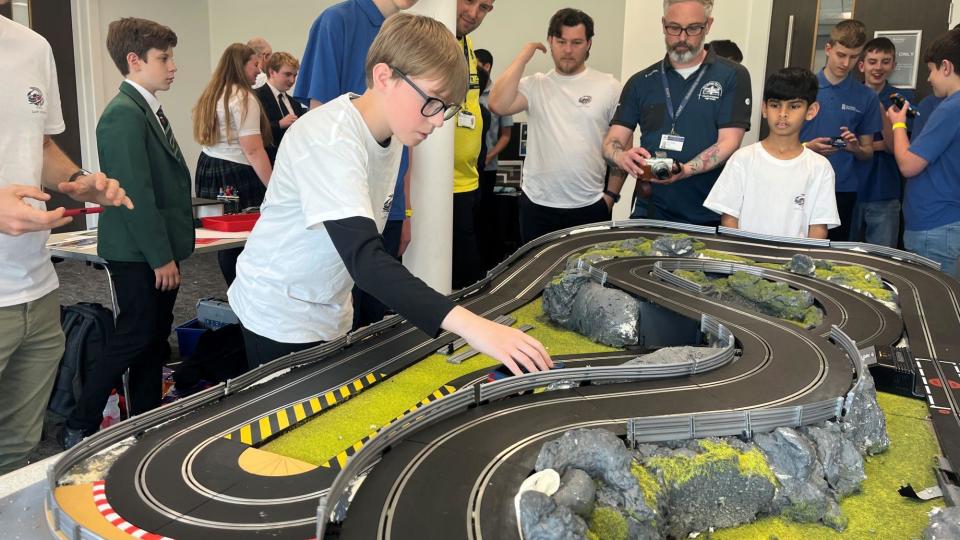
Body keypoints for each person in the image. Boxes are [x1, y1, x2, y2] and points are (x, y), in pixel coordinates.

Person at [227, 13, 552, 376]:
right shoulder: (329, 137)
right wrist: (476, 328)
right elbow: (366, 259)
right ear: (385, 77)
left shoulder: (392, 132)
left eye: (447, 108)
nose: (439, 120)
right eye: (433, 102)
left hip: (327, 305)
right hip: (279, 310)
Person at [60, 17, 185, 450]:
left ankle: (147, 419)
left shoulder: (148, 109)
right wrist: (159, 257)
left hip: (156, 248)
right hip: (138, 252)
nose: (172, 66)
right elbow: (135, 194)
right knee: (134, 336)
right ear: (134, 60)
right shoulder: (122, 115)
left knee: (153, 338)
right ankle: (81, 422)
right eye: (163, 58)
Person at [293, 0, 417, 328]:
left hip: (388, 205)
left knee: (372, 319)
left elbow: (406, 142)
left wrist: (405, 211)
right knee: (335, 323)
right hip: (344, 205)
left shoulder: (404, 31)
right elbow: (320, 123)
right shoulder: (337, 22)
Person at [604, 0, 751, 226]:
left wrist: (685, 170)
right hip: (651, 210)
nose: (682, 38)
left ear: (708, 25)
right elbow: (611, 142)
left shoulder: (732, 75)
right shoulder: (641, 82)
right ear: (663, 25)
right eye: (674, 28)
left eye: (693, 28)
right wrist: (622, 157)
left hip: (709, 212)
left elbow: (729, 142)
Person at [489, 8, 622, 244]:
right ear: (550, 40)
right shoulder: (535, 85)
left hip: (589, 205)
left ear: (589, 43)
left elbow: (622, 145)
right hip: (538, 205)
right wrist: (524, 55)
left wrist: (610, 196)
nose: (568, 50)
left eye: (576, 42)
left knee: (586, 278)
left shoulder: (608, 86)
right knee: (538, 276)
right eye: (561, 41)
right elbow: (497, 104)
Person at [703, 67, 839, 239]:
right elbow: (729, 218)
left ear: (811, 111)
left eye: (794, 106)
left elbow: (818, 228)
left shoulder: (820, 168)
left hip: (794, 263)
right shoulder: (743, 159)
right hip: (744, 260)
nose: (783, 114)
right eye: (775, 105)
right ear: (765, 108)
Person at [193, 43, 273, 286]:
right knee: (244, 235)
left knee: (222, 236)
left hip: (209, 168)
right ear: (240, 65)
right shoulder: (243, 97)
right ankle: (244, 291)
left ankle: (233, 287)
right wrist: (275, 185)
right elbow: (253, 149)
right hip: (235, 173)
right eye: (254, 65)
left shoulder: (213, 93)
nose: (259, 71)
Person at [887, 29, 960, 278]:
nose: (929, 79)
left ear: (947, 67)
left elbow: (908, 164)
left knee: (933, 310)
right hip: (946, 222)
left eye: (931, 70)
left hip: (935, 225)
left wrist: (897, 124)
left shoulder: (951, 107)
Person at [799, 19, 879, 242]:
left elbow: (868, 152)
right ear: (828, 49)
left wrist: (855, 148)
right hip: (798, 182)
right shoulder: (803, 87)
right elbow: (778, 140)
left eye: (854, 57)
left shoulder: (866, 97)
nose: (846, 63)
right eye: (841, 55)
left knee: (830, 256)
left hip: (841, 189)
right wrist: (807, 147)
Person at [851, 37, 913, 247]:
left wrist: (875, 105)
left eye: (885, 61)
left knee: (882, 261)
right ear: (862, 65)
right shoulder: (849, 96)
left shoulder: (902, 99)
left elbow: (898, 147)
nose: (878, 67)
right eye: (872, 61)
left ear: (893, 66)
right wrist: (872, 146)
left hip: (884, 192)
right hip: (848, 188)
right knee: (840, 258)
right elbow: (840, 141)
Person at [452, 0, 496, 289]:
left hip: (467, 180)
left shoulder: (466, 45)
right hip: (437, 189)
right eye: (468, 1)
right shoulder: (433, 38)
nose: (474, 14)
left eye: (484, 7)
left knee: (465, 281)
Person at [475, 48, 513, 268]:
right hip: (465, 168)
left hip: (488, 166)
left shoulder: (499, 93)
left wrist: (490, 154)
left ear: (487, 66)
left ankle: (485, 264)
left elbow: (506, 135)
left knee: (485, 215)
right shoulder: (465, 90)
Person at [255, 51, 308, 164]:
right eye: (287, 74)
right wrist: (279, 124)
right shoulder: (256, 97)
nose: (292, 80)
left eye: (294, 75)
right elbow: (254, 131)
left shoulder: (295, 102)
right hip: (268, 162)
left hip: (293, 162)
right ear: (272, 72)